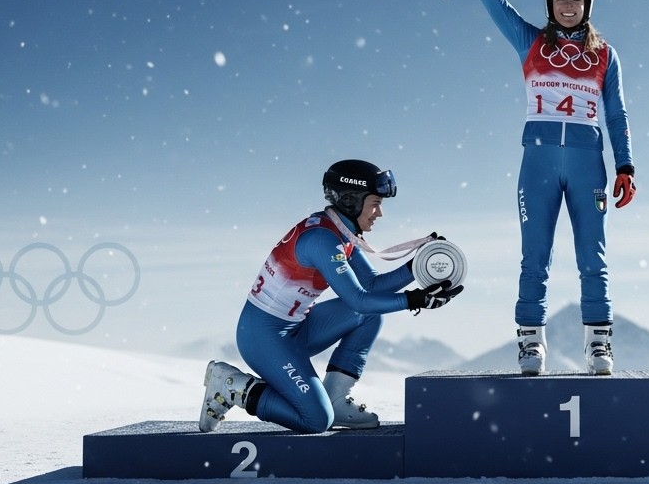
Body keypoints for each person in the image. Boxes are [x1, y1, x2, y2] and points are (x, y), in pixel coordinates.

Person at [479, 0, 637, 376]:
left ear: (588, 5)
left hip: (588, 160)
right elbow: (491, 0)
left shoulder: (606, 55)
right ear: (548, 4)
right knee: (536, 255)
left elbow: (617, 113)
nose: (568, 4)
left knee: (594, 255)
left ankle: (598, 344)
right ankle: (531, 343)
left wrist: (626, 165)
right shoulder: (530, 43)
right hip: (539, 161)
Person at [198, 160, 462, 434]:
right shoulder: (323, 240)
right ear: (351, 200)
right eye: (375, 203)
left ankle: (335, 400)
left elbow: (371, 286)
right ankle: (236, 388)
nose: (379, 213)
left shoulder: (338, 231)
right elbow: (358, 299)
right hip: (264, 339)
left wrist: (421, 266)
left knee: (369, 315)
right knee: (315, 421)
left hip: (295, 329)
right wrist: (414, 300)